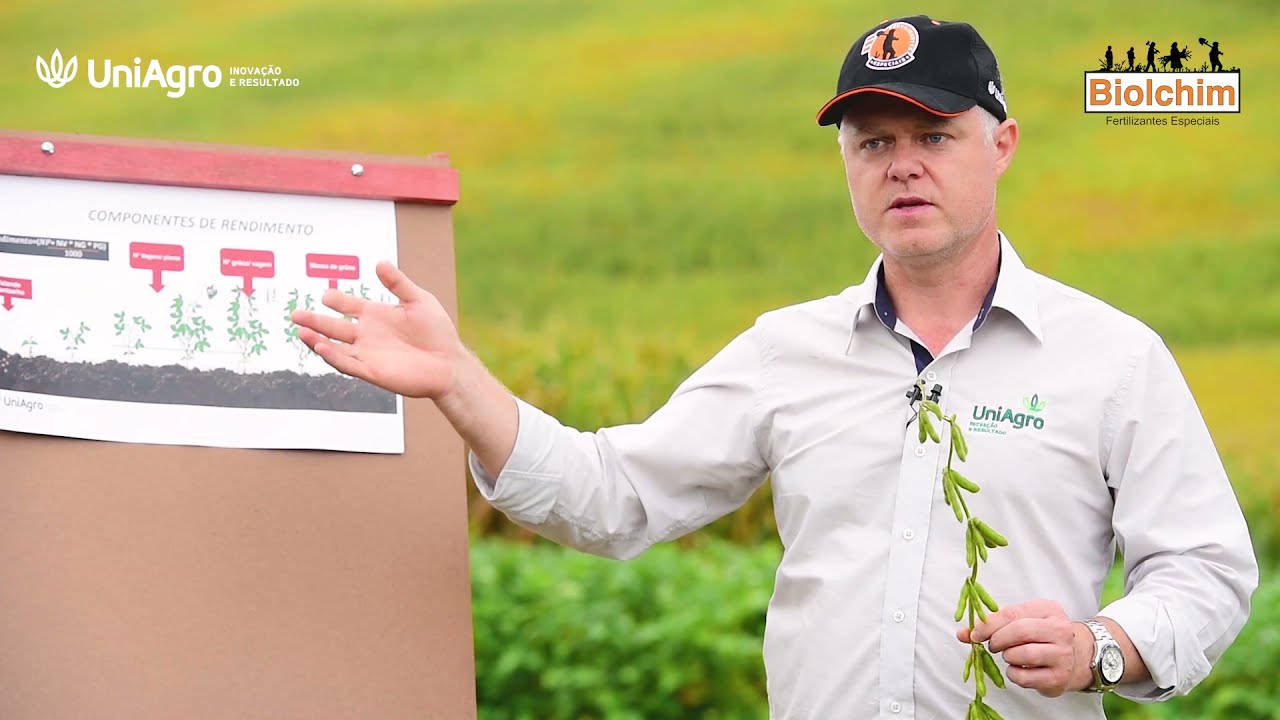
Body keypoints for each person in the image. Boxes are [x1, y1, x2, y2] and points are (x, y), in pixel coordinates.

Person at [290, 14, 1258, 720]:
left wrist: (1098, 647)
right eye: (871, 142)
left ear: (1000, 145)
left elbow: (1206, 571)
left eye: (933, 137)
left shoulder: (1111, 359)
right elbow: (612, 494)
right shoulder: (783, 354)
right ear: (843, 160)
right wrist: (458, 379)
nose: (900, 165)